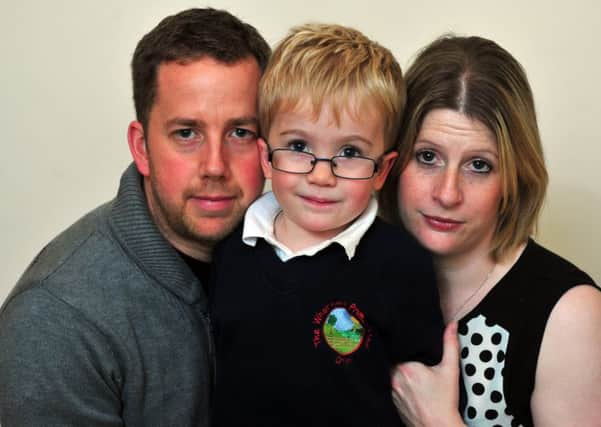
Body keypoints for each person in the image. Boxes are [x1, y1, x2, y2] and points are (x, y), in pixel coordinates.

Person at [0, 8, 270, 426]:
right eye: (187, 133)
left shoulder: (297, 257)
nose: (215, 165)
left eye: (241, 132)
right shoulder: (57, 320)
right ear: (141, 147)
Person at [209, 23, 444, 427]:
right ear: (266, 157)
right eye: (299, 147)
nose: (321, 175)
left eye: (349, 151)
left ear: (382, 170)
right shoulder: (230, 251)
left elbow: (421, 390)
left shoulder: (402, 265)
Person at [379, 35, 601, 426]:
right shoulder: (357, 272)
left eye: (479, 165)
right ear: (392, 163)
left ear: (515, 177)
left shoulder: (570, 315)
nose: (447, 193)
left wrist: (439, 422)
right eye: (428, 157)